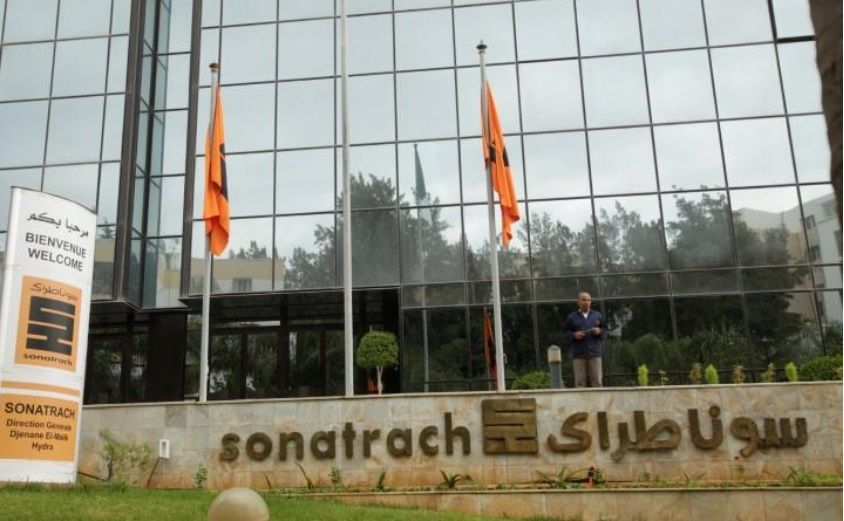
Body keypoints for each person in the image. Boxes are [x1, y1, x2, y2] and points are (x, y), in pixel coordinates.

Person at [563, 291, 605, 387]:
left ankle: (598, 398)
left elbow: (605, 330)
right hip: (579, 354)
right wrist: (574, 335)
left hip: (594, 353)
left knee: (597, 382)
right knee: (580, 383)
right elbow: (565, 334)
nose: (586, 302)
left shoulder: (598, 315)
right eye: (584, 300)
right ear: (578, 302)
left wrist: (599, 331)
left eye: (588, 300)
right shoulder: (571, 317)